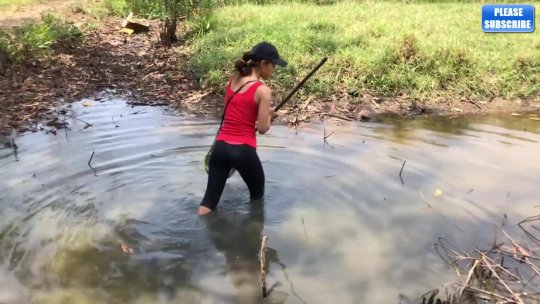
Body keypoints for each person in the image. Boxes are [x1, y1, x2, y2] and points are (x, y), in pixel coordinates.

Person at [198, 41, 288, 216]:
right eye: (273, 65)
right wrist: (270, 116)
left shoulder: (234, 79)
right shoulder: (263, 90)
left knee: (208, 203)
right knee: (257, 198)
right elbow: (262, 128)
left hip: (221, 148)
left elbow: (231, 111)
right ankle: (254, 234)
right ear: (264, 64)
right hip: (243, 151)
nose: (274, 70)